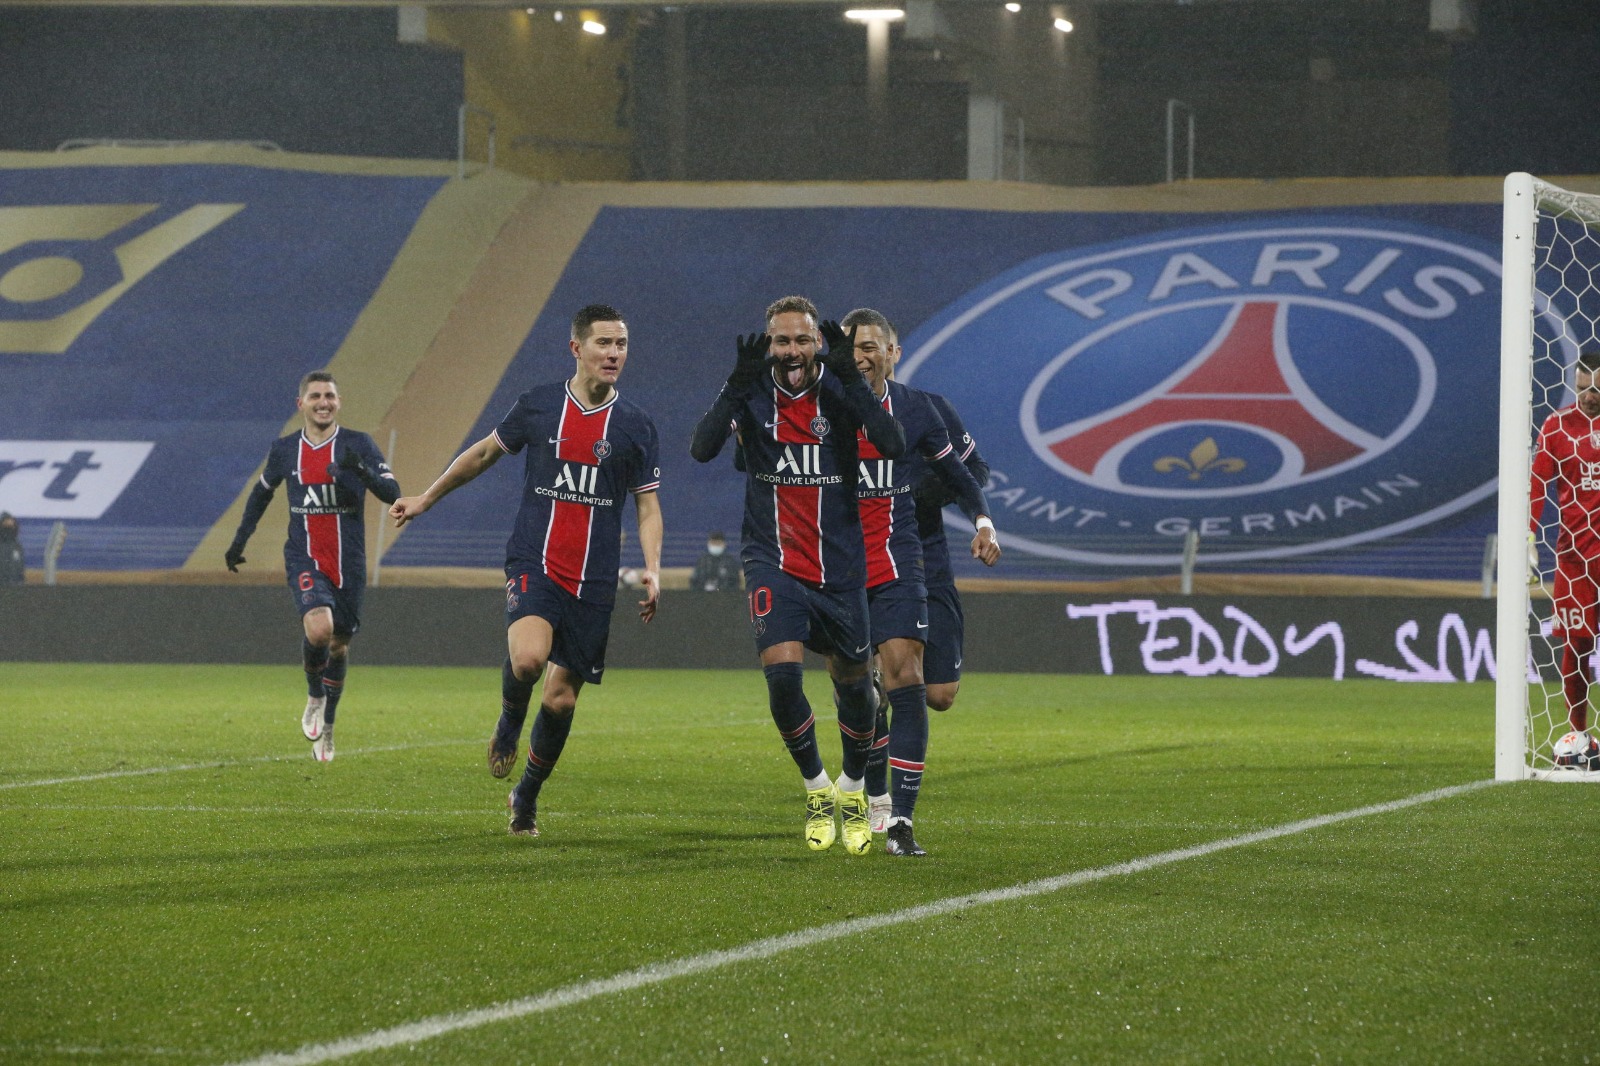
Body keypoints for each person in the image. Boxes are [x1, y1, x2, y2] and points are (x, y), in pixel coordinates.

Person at [390, 303, 662, 837]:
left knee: (561, 700)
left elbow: (648, 506)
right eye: (604, 343)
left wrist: (652, 568)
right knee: (531, 660)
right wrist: (428, 496)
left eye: (622, 344)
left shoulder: (635, 426)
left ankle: (527, 797)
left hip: (596, 577)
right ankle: (510, 718)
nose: (614, 354)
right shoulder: (538, 405)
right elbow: (485, 454)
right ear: (576, 348)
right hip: (535, 560)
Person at [690, 295, 906, 856]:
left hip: (840, 569)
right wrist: (731, 389)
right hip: (773, 562)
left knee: (856, 694)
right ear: (769, 345)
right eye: (781, 341)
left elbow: (893, 444)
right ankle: (816, 786)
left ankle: (854, 787)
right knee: (782, 679)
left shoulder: (837, 390)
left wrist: (851, 383)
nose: (792, 351)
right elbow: (701, 448)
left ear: (817, 343)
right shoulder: (753, 391)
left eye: (802, 340)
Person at [839, 308, 999, 857]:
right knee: (884, 681)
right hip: (853, 563)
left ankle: (883, 788)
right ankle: (887, 808)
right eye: (851, 348)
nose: (861, 357)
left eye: (871, 347)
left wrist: (917, 492)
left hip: (919, 554)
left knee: (940, 695)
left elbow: (971, 472)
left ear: (894, 352)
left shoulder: (927, 409)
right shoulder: (829, 410)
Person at [225, 371, 400, 762]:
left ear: (338, 402)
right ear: (301, 403)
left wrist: (360, 471)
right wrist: (240, 540)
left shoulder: (358, 444)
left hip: (348, 562)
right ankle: (314, 694)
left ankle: (330, 726)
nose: (324, 402)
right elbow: (261, 493)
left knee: (339, 645)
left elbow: (393, 494)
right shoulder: (286, 449)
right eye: (316, 395)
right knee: (320, 630)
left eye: (330, 396)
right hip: (304, 555)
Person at [1530, 347, 1600, 746]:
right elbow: (1537, 485)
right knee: (1577, 646)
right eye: (1581, 387)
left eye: (1596, 389)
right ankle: (1578, 733)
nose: (1588, 395)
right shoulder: (1558, 426)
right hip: (1575, 558)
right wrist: (1527, 535)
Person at [0, 512, 23, 585]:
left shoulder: (17, 546)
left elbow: (19, 569)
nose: (9, 526)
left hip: (14, 588)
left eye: (11, 524)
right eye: (6, 524)